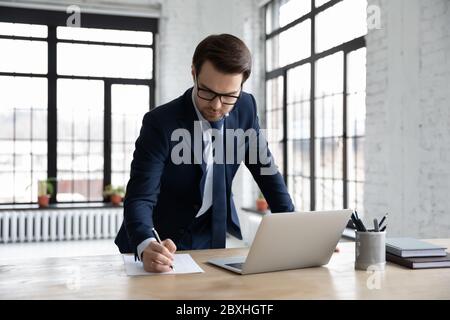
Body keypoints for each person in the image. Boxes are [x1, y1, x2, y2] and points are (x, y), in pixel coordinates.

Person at [115, 34, 294, 273]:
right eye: (207, 92)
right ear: (194, 74)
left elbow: (266, 171)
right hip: (161, 241)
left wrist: (297, 232)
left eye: (229, 96)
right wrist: (146, 242)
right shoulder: (160, 123)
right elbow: (140, 195)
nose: (217, 105)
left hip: (210, 234)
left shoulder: (246, 107)